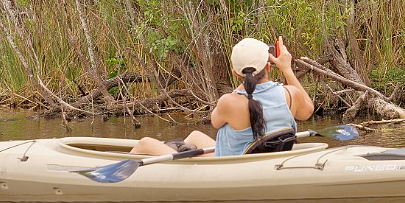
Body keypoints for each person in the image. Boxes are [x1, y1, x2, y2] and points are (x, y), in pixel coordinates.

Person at [130, 36, 314, 156]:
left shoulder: (229, 102)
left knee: (145, 143)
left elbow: (215, 122)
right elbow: (308, 110)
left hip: (229, 167)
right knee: (194, 136)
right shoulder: (290, 94)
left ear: (235, 73)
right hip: (258, 161)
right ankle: (173, 150)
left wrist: (242, 85)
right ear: (268, 66)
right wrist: (287, 69)